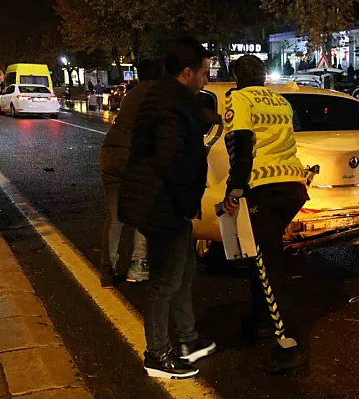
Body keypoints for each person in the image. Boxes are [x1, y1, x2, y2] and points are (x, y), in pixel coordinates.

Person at [118, 37, 217, 379]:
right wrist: (187, 204)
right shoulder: (169, 105)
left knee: (184, 272)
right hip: (163, 204)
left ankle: (188, 339)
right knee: (164, 282)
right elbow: (171, 161)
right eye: (204, 73)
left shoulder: (171, 98)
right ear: (187, 72)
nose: (206, 79)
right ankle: (157, 355)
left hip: (167, 201)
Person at [218, 55, 310, 373]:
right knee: (262, 256)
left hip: (264, 188)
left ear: (236, 77)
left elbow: (240, 144)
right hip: (293, 187)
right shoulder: (280, 101)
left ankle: (288, 344)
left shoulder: (239, 100)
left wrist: (235, 189)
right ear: (263, 76)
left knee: (268, 264)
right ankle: (256, 322)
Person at [99, 60, 162, 287]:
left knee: (113, 216)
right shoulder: (157, 93)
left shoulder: (131, 94)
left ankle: (108, 269)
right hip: (132, 155)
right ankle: (138, 266)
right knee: (142, 211)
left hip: (110, 152)